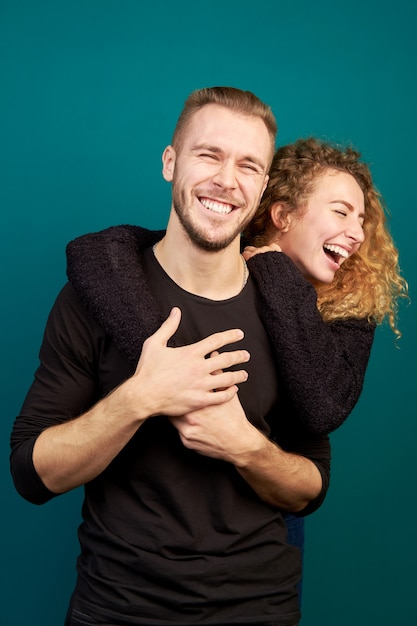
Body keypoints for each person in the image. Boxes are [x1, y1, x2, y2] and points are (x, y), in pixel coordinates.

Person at [10, 88, 331, 626]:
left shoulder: (287, 307)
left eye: (248, 165)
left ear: (262, 187)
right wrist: (140, 398)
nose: (227, 180)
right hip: (117, 609)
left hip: (259, 609)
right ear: (170, 162)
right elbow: (31, 474)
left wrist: (246, 447)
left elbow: (311, 488)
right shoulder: (97, 295)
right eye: (209, 155)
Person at [242, 136, 408, 598]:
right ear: (282, 215)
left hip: (271, 524)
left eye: (361, 218)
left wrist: (274, 272)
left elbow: (322, 406)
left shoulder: (353, 306)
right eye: (341, 212)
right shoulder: (222, 272)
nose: (357, 232)